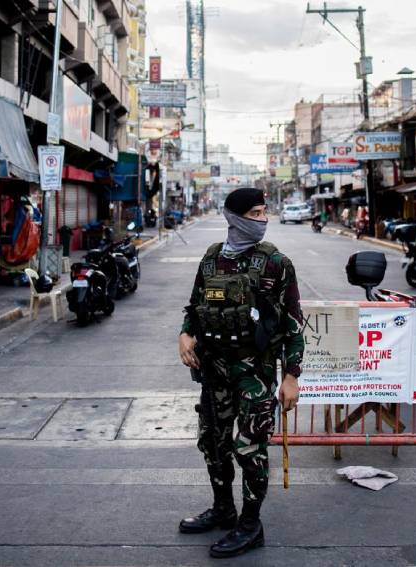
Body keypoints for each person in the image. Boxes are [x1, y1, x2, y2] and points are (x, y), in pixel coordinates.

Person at [177, 187, 304, 559]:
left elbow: (294, 324)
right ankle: (223, 508)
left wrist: (291, 375)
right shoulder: (212, 260)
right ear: (233, 217)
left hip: (255, 375)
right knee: (214, 444)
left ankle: (250, 524)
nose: (262, 219)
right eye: (254, 212)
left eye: (265, 212)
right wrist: (184, 334)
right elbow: (195, 305)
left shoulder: (276, 263)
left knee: (250, 448)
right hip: (213, 370)